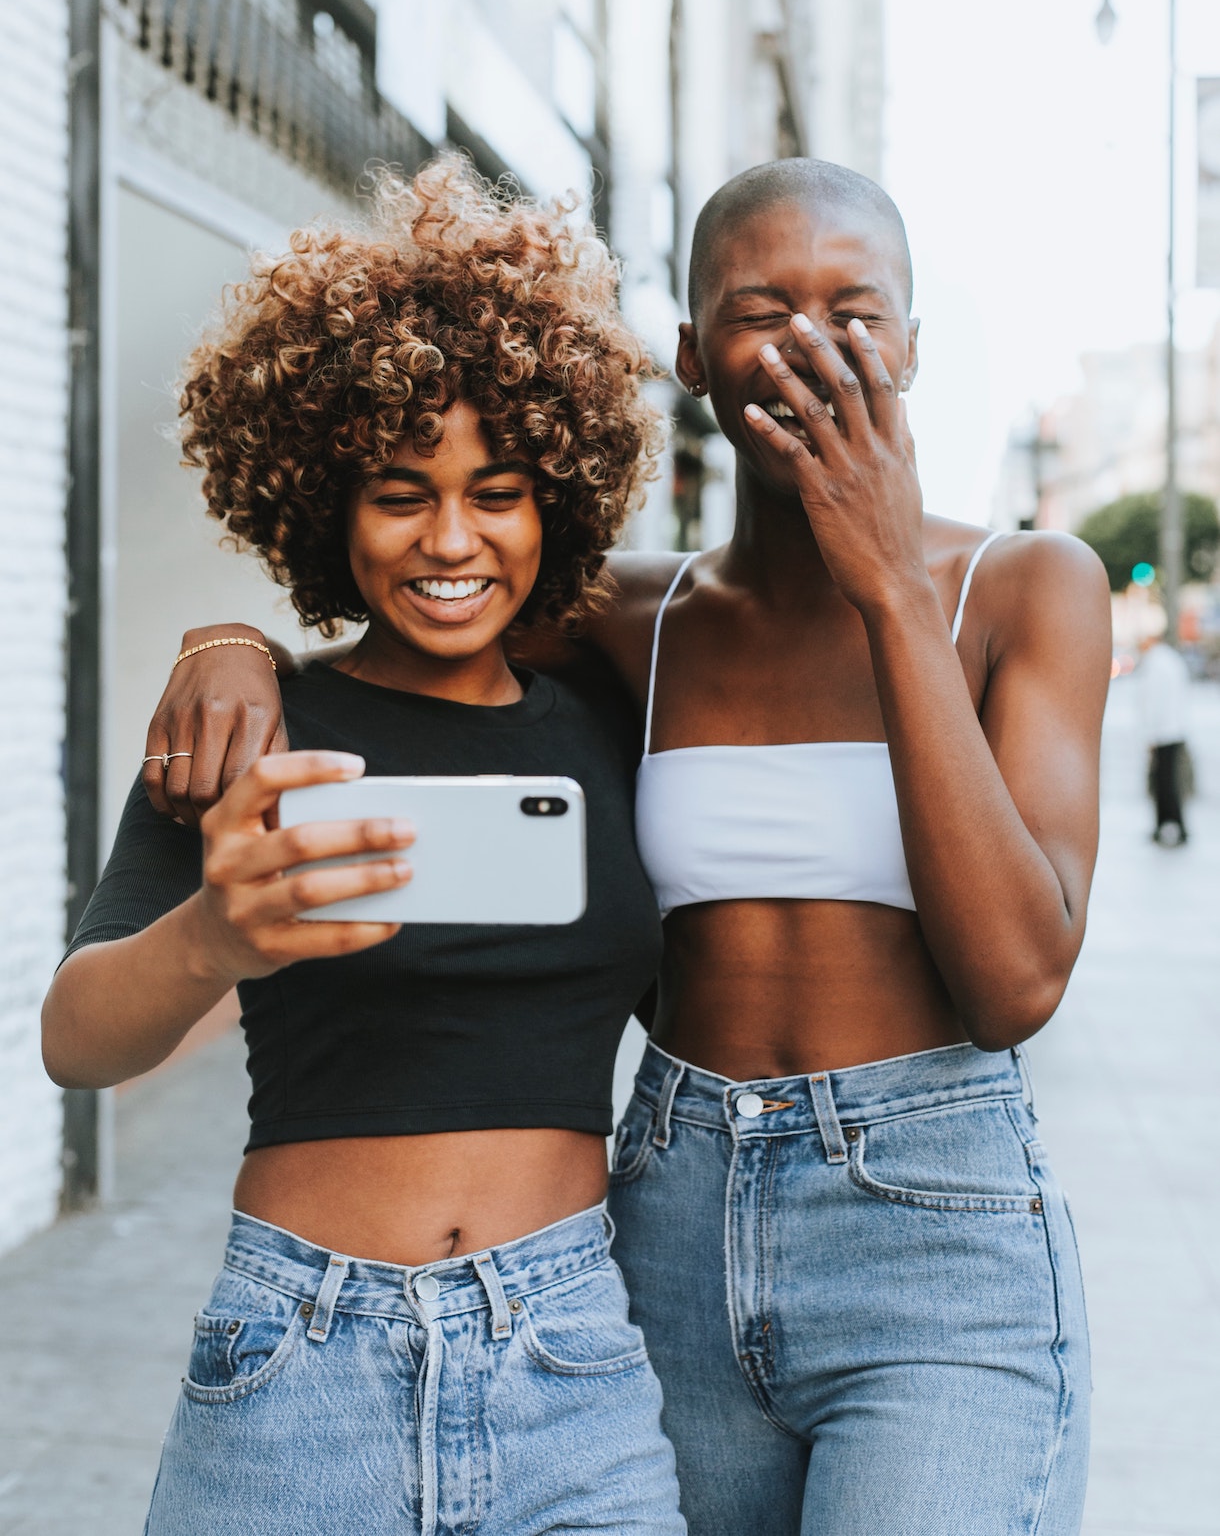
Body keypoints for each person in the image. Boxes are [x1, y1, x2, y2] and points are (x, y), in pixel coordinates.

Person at [143, 158, 1113, 1536]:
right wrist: (226, 640)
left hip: (932, 1225)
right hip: (670, 1208)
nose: (812, 345)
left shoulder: (1025, 587)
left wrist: (890, 585)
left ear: (910, 347)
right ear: (689, 355)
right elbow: (416, 596)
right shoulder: (632, 620)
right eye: (760, 307)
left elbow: (1017, 981)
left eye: (859, 311)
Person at [41, 161, 687, 1536]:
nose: (452, 539)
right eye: (402, 493)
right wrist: (214, 935)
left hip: (569, 1361)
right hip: (296, 1362)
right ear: (323, 501)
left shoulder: (618, 731)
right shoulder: (250, 730)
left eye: (498, 490)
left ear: (556, 500)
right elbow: (76, 1041)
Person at [1137, 634, 1192, 845]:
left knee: (1164, 783)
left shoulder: (1155, 664)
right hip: (1175, 729)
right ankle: (1170, 824)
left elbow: (1152, 702)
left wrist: (1149, 734)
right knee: (1170, 781)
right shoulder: (1171, 660)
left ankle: (1167, 824)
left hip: (1162, 732)